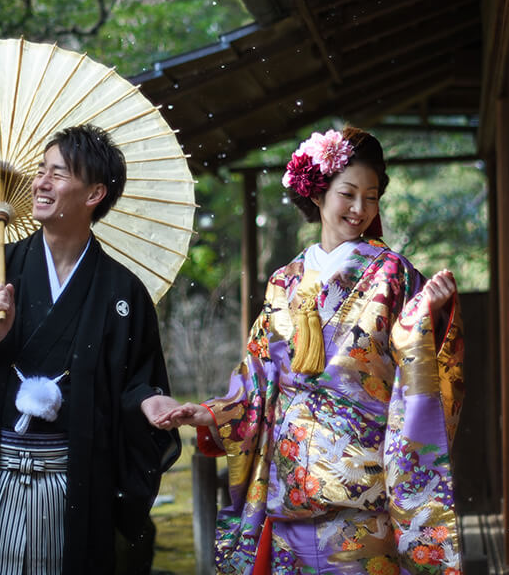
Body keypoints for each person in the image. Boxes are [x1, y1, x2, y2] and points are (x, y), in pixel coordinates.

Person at [155, 126, 465, 575]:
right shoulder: (285, 280)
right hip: (288, 493)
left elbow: (417, 357)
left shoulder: (392, 274)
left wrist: (430, 313)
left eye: (372, 196)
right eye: (348, 193)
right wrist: (211, 413)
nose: (360, 209)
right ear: (318, 192)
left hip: (360, 495)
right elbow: (259, 377)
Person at [0, 124, 181, 575]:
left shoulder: (123, 292)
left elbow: (138, 381)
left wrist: (149, 401)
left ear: (95, 193)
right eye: (41, 170)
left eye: (57, 174)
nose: (39, 183)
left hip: (78, 481)